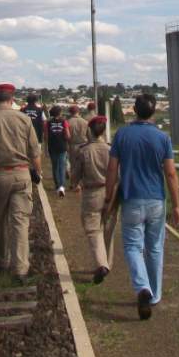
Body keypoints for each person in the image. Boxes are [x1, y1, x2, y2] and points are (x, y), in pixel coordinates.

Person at [104, 93, 179, 320]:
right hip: (156, 199)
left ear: (135, 110)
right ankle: (154, 294)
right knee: (155, 247)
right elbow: (171, 173)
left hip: (131, 199)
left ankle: (142, 288)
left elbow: (111, 169)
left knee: (132, 247)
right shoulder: (162, 138)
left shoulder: (122, 135)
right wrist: (176, 205)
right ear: (154, 111)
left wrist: (109, 197)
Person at [0, 83, 43, 281]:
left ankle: (3, 260)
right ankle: (20, 268)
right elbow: (34, 151)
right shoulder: (23, 119)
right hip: (21, 174)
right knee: (20, 221)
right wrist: (37, 172)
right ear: (12, 99)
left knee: (0, 219)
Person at [71, 115, 110, 283]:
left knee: (93, 230)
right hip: (110, 191)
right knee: (108, 228)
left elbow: (75, 175)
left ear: (90, 130)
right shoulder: (111, 149)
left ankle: (101, 264)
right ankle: (109, 262)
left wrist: (74, 184)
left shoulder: (84, 151)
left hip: (91, 193)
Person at [44, 105, 71, 196]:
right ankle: (62, 187)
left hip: (52, 146)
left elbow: (46, 136)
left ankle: (57, 185)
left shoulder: (47, 123)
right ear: (59, 113)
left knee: (55, 167)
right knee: (62, 167)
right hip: (62, 146)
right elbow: (67, 135)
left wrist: (46, 148)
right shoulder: (64, 121)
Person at [66, 104, 90, 190]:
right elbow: (89, 135)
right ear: (78, 112)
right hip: (84, 145)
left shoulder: (68, 122)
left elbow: (66, 136)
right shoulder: (85, 122)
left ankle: (73, 184)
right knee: (84, 165)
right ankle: (82, 183)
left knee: (73, 166)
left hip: (72, 145)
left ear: (70, 112)